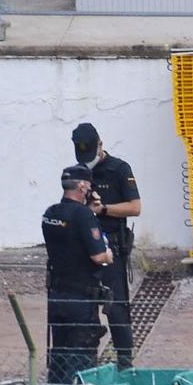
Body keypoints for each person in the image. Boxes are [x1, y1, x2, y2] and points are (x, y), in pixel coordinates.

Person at [41, 163, 114, 385]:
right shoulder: (83, 217)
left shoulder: (51, 213)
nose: (90, 189)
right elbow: (98, 256)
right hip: (81, 300)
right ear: (82, 186)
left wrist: (89, 213)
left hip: (57, 297)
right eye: (88, 185)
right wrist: (109, 254)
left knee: (59, 357)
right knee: (81, 358)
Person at [71, 122, 141, 369]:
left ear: (101, 145)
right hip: (84, 246)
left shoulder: (119, 169)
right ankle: (86, 361)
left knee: (116, 306)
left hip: (112, 244)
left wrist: (105, 209)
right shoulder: (77, 171)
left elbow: (135, 207)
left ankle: (124, 361)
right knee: (84, 304)